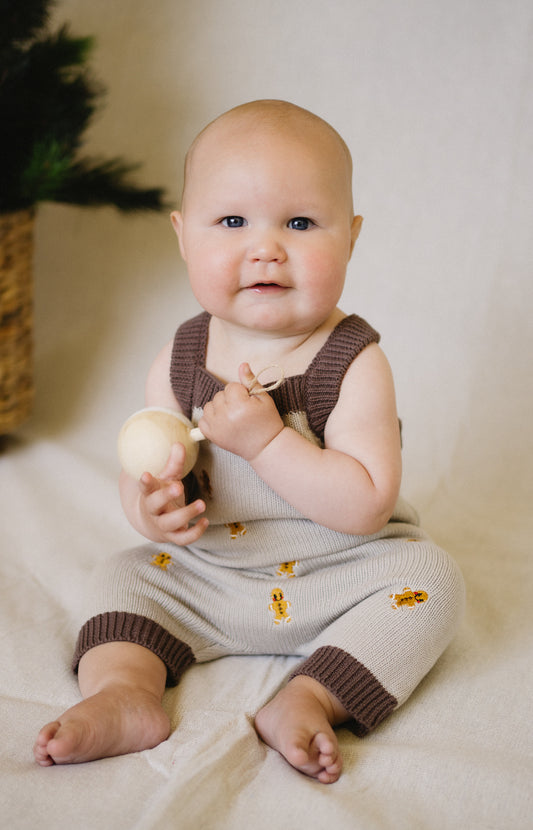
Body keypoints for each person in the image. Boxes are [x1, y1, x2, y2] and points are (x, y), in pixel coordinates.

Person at [34, 99, 465, 784]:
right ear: (182, 235)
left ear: (350, 237)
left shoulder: (351, 360)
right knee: (120, 574)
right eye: (231, 221)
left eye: (299, 222)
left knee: (432, 582)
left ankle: (309, 694)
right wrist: (150, 506)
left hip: (341, 571)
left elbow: (365, 506)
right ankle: (125, 693)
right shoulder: (181, 356)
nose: (265, 248)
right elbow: (146, 460)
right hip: (210, 577)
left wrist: (266, 442)